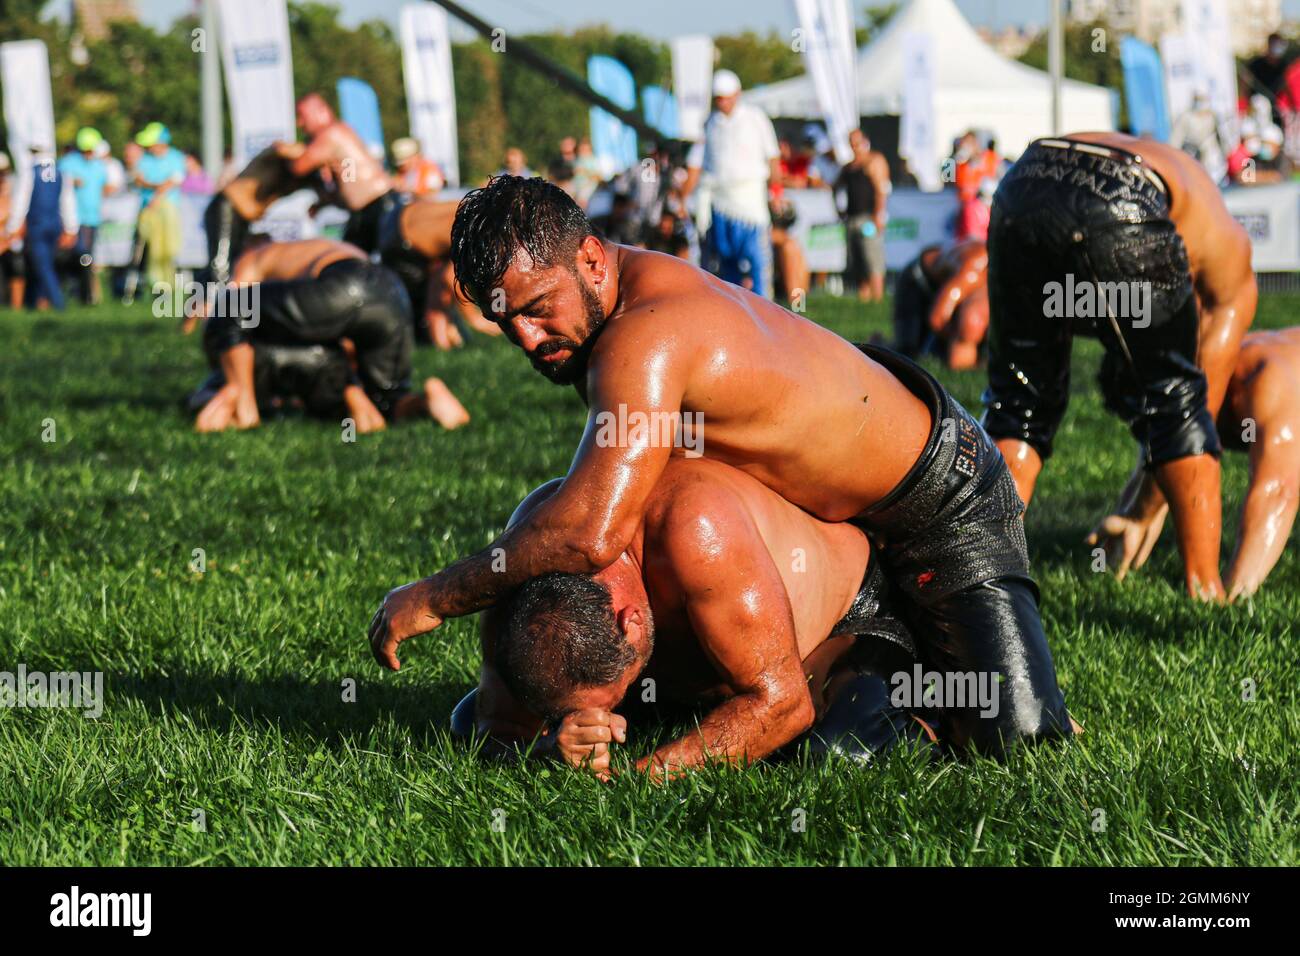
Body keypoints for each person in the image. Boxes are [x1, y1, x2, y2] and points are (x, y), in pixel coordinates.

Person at [369, 175, 1075, 758]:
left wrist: (432, 596)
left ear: (590, 259)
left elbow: (589, 530)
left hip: (939, 496)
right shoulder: (620, 303)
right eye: (504, 321)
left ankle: (909, 667)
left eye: (537, 308)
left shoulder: (642, 337)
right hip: (829, 508)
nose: (525, 337)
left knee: (1019, 742)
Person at [453, 458, 939, 778]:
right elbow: (495, 730)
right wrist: (552, 750)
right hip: (693, 656)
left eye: (606, 701)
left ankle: (937, 716)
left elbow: (783, 703)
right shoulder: (535, 540)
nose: (592, 715)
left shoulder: (697, 529)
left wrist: (644, 776)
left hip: (839, 624)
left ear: (631, 624)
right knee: (462, 721)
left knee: (836, 754)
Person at [983, 131, 1256, 601]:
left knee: (1019, 404)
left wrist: (1139, 502)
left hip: (1024, 178)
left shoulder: (1192, 214)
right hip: (1124, 188)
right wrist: (1144, 510)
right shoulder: (1231, 289)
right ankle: (1204, 590)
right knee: (1178, 400)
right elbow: (1193, 414)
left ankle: (978, 576)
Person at [1091, 326, 1300, 602]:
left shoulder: (1263, 382)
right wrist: (1135, 516)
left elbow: (1278, 490)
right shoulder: (1188, 380)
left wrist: (1231, 598)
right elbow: (1167, 456)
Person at [196, 238, 469, 433]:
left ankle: (245, 409)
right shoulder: (310, 247)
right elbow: (337, 326)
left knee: (231, 307)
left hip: (343, 283)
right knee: (386, 400)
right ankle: (426, 401)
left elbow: (235, 308)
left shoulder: (253, 256)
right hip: (390, 293)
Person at [682, 69, 782, 299]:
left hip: (749, 200)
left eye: (727, 97)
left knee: (756, 258)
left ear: (737, 94)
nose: (723, 103)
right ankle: (734, 311)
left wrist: (775, 192)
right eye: (719, 98)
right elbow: (698, 163)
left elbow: (773, 157)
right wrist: (685, 195)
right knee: (726, 258)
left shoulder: (755, 117)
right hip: (719, 200)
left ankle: (766, 311)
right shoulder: (710, 122)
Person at [376, 196, 503, 349]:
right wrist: (474, 318)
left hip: (400, 214)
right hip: (404, 245)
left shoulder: (479, 207)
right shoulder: (487, 231)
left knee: (438, 290)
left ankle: (442, 346)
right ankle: (437, 343)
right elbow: (451, 276)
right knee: (426, 308)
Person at [277, 93, 396, 254]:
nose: (300, 123)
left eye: (302, 116)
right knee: (353, 259)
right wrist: (323, 203)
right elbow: (349, 179)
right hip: (371, 209)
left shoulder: (330, 134)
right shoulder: (339, 134)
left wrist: (281, 151)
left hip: (379, 207)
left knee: (352, 262)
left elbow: (298, 167)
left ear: (321, 111)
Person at [202, 144, 323, 285]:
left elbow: (331, 193)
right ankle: (211, 304)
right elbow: (280, 147)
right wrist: (318, 155)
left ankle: (211, 301)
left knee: (236, 263)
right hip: (226, 208)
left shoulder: (304, 178)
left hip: (242, 217)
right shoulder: (275, 158)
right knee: (220, 265)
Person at [892, 238, 988, 371]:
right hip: (918, 281)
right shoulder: (972, 272)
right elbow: (937, 319)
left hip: (948, 279)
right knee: (906, 354)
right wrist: (961, 340)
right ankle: (877, 342)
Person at [16, 143, 78, 310]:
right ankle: (40, 302)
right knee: (46, 263)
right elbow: (67, 202)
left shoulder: (29, 173)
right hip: (54, 224)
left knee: (43, 266)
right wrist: (71, 228)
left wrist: (14, 226)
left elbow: (21, 202)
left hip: (37, 224)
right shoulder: (61, 173)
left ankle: (58, 304)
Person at [834, 129, 891, 303]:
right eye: (851, 142)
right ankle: (864, 299)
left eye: (857, 142)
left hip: (868, 219)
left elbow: (881, 190)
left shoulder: (874, 161)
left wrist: (878, 216)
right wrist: (839, 210)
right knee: (857, 262)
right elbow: (835, 187)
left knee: (872, 259)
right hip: (852, 219)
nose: (854, 146)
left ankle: (877, 298)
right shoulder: (849, 167)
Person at [57, 127, 110, 305]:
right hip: (72, 220)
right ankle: (69, 293)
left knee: (87, 258)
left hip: (92, 219)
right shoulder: (67, 163)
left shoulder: (99, 165)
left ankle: (87, 296)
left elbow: (102, 188)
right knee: (72, 257)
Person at [132, 122, 186, 295]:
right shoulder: (145, 159)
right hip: (148, 209)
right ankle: (154, 284)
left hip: (168, 209)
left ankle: (167, 284)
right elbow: (139, 179)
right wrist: (155, 187)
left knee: (167, 249)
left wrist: (156, 194)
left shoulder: (175, 157)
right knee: (149, 249)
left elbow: (173, 181)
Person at [0, 152, 27, 308]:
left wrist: (6, 241)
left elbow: (19, 222)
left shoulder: (15, 189)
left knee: (17, 264)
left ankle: (17, 307)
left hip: (11, 242)